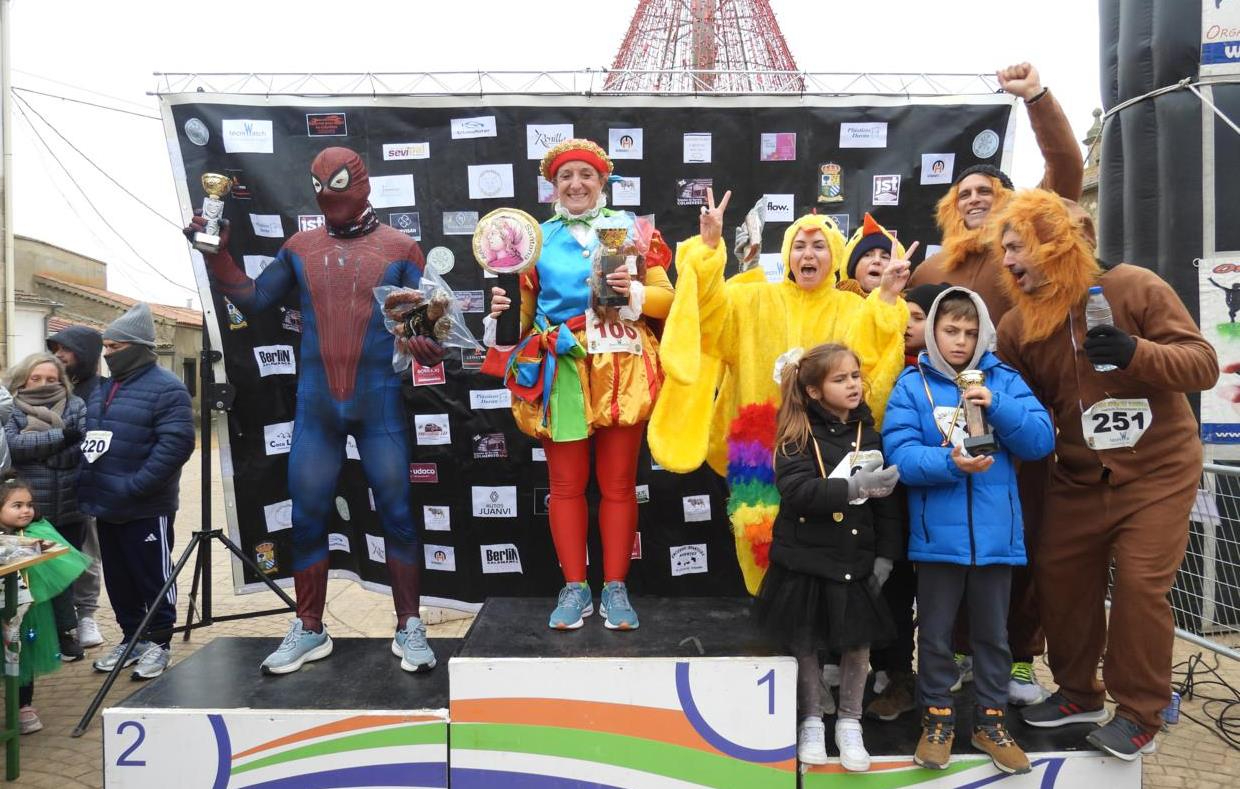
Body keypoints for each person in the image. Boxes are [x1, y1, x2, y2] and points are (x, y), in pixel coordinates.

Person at [186, 147, 442, 674]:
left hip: (378, 405)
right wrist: (217, 255)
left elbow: (431, 328)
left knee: (397, 514)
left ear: (363, 185)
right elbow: (255, 301)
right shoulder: (301, 246)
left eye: (338, 183)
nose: (328, 194)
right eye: (319, 185)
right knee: (306, 517)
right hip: (318, 408)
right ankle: (309, 627)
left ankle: (409, 624)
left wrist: (429, 347)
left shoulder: (401, 247)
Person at [993, 190, 1219, 760]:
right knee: (1060, 578)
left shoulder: (1135, 286)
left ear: (1054, 243)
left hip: (1158, 471)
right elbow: (1023, 405)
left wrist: (1135, 352)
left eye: (1017, 246)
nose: (1008, 260)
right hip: (1077, 476)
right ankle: (1077, 693)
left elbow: (1203, 365)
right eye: (1004, 249)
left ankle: (1141, 711)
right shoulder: (1017, 326)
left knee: (1141, 586)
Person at [649, 191, 911, 596]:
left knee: (823, 538)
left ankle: (816, 620)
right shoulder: (750, 299)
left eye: (819, 246)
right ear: (788, 253)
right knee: (760, 541)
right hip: (759, 444)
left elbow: (871, 357)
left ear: (834, 255)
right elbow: (708, 315)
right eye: (799, 245)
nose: (808, 254)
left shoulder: (852, 309)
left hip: (827, 447)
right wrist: (709, 249)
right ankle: (772, 612)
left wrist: (888, 297)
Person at [484, 138, 674, 631]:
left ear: (602, 182)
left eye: (586, 175)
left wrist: (634, 291)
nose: (576, 184)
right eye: (565, 176)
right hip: (562, 365)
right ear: (553, 186)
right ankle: (574, 587)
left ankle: (615, 587)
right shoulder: (532, 241)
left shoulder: (632, 230)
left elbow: (666, 299)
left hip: (621, 364)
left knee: (618, 484)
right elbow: (524, 316)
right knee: (566, 485)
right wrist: (503, 315)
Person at [883, 287, 1054, 774]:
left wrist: (997, 405)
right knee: (935, 635)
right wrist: (950, 464)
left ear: (985, 335)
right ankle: (937, 719)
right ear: (933, 332)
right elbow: (900, 456)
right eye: (950, 330)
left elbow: (1041, 441)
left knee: (994, 637)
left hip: (997, 539)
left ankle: (990, 722)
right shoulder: (911, 385)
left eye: (971, 332)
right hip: (938, 541)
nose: (960, 341)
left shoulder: (1006, 380)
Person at [754, 343, 900, 770]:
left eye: (855, 376)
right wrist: (852, 488)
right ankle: (813, 719)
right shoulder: (795, 435)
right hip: (805, 561)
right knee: (805, 642)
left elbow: (887, 507)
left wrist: (886, 556)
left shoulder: (870, 434)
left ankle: (850, 722)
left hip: (854, 560)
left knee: (857, 643)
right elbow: (797, 491)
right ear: (814, 391)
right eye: (840, 379)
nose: (853, 385)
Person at [909, 62, 1084, 326]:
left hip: (1020, 353)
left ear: (1006, 199)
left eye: (984, 191)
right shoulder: (929, 271)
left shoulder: (1031, 240)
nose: (974, 199)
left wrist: (1036, 97)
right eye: (964, 195)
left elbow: (1065, 165)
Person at [80, 303, 195, 681]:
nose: (107, 354)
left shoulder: (167, 388)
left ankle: (159, 643)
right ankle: (133, 638)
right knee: (118, 578)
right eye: (106, 347)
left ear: (137, 347)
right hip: (105, 505)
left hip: (146, 508)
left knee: (152, 577)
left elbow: (176, 445)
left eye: (115, 347)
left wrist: (135, 486)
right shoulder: (103, 388)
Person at [863, 281, 950, 722]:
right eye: (903, 316)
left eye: (918, 317)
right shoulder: (878, 364)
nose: (907, 325)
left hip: (942, 506)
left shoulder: (960, 375)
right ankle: (895, 673)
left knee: (939, 600)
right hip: (893, 504)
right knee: (892, 589)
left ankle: (940, 684)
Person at [3, 353, 87, 664]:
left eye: (51, 379)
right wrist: (61, 436)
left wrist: (43, 454)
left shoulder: (75, 405)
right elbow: (14, 446)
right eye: (36, 378)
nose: (44, 384)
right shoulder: (12, 408)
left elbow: (82, 446)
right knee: (31, 576)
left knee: (63, 576)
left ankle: (65, 633)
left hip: (69, 504)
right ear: (24, 379)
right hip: (29, 509)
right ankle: (33, 636)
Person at [0, 476, 90, 734]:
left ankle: (23, 706)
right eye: (17, 505)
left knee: (22, 656)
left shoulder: (38, 531)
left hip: (27, 613)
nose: (26, 510)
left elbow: (54, 558)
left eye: (29, 504)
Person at [46, 325, 105, 649]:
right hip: (44, 491)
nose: (59, 355)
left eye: (65, 349)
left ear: (85, 353)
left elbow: (91, 441)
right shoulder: (48, 388)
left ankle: (86, 616)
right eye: (55, 349)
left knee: (86, 554)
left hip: (84, 487)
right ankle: (57, 622)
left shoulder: (101, 392)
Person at [837, 213, 902, 297]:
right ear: (852, 267)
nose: (877, 260)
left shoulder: (907, 304)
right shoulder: (832, 302)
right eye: (867, 255)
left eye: (885, 257)